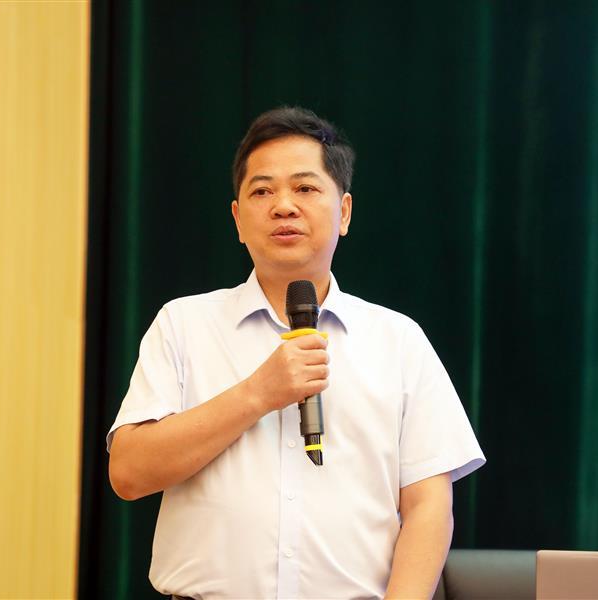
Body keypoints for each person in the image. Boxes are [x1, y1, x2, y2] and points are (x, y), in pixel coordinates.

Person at [107, 106, 485, 599]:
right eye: (262, 191)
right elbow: (129, 473)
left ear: (344, 212)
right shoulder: (183, 324)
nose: (283, 206)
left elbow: (428, 507)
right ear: (238, 220)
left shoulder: (399, 340)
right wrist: (257, 394)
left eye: (305, 188)